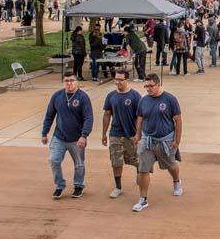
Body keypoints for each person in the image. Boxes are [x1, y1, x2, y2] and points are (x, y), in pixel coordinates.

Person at [132, 73, 183, 212]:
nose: (148, 89)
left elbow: (177, 120)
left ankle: (176, 181)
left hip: (165, 140)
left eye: (150, 86)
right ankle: (143, 199)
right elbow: (140, 118)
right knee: (143, 168)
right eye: (146, 86)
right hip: (147, 140)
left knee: (171, 165)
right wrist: (138, 135)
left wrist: (177, 140)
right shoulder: (144, 100)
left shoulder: (170, 99)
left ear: (158, 84)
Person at [41, 71, 94, 199]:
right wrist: (44, 132)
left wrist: (84, 135)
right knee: (53, 160)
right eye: (67, 81)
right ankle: (59, 185)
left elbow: (88, 118)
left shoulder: (83, 97)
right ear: (63, 82)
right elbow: (49, 115)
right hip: (59, 136)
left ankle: (78, 185)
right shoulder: (57, 96)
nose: (69, 83)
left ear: (77, 82)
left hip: (77, 138)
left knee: (79, 164)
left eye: (72, 80)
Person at [102, 70, 141, 198]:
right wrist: (104, 134)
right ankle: (118, 187)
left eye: (120, 80)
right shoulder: (111, 96)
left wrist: (139, 133)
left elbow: (140, 117)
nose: (118, 82)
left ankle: (140, 175)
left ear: (127, 80)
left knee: (136, 159)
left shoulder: (135, 96)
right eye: (116, 79)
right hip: (115, 133)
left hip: (131, 134)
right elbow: (107, 114)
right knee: (116, 161)